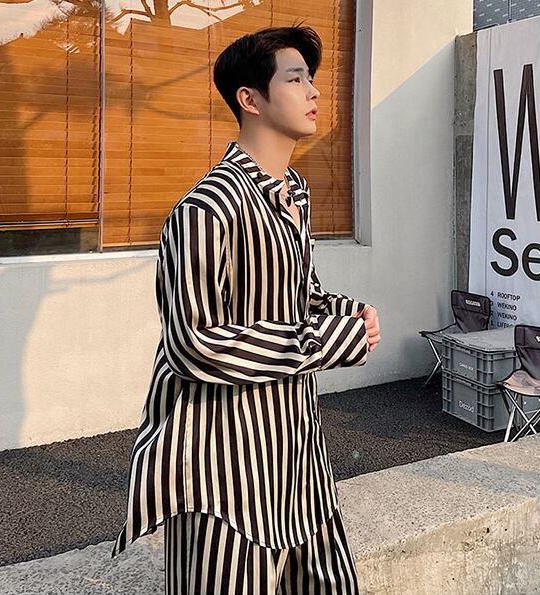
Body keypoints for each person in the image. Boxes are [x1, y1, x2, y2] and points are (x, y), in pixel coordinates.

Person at [112, 23, 381, 594]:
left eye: (311, 79)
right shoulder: (207, 209)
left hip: (299, 462)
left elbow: (299, 292)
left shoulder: (292, 194)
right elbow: (193, 342)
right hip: (225, 475)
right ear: (250, 99)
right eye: (295, 79)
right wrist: (330, 342)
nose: (314, 91)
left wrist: (349, 312)